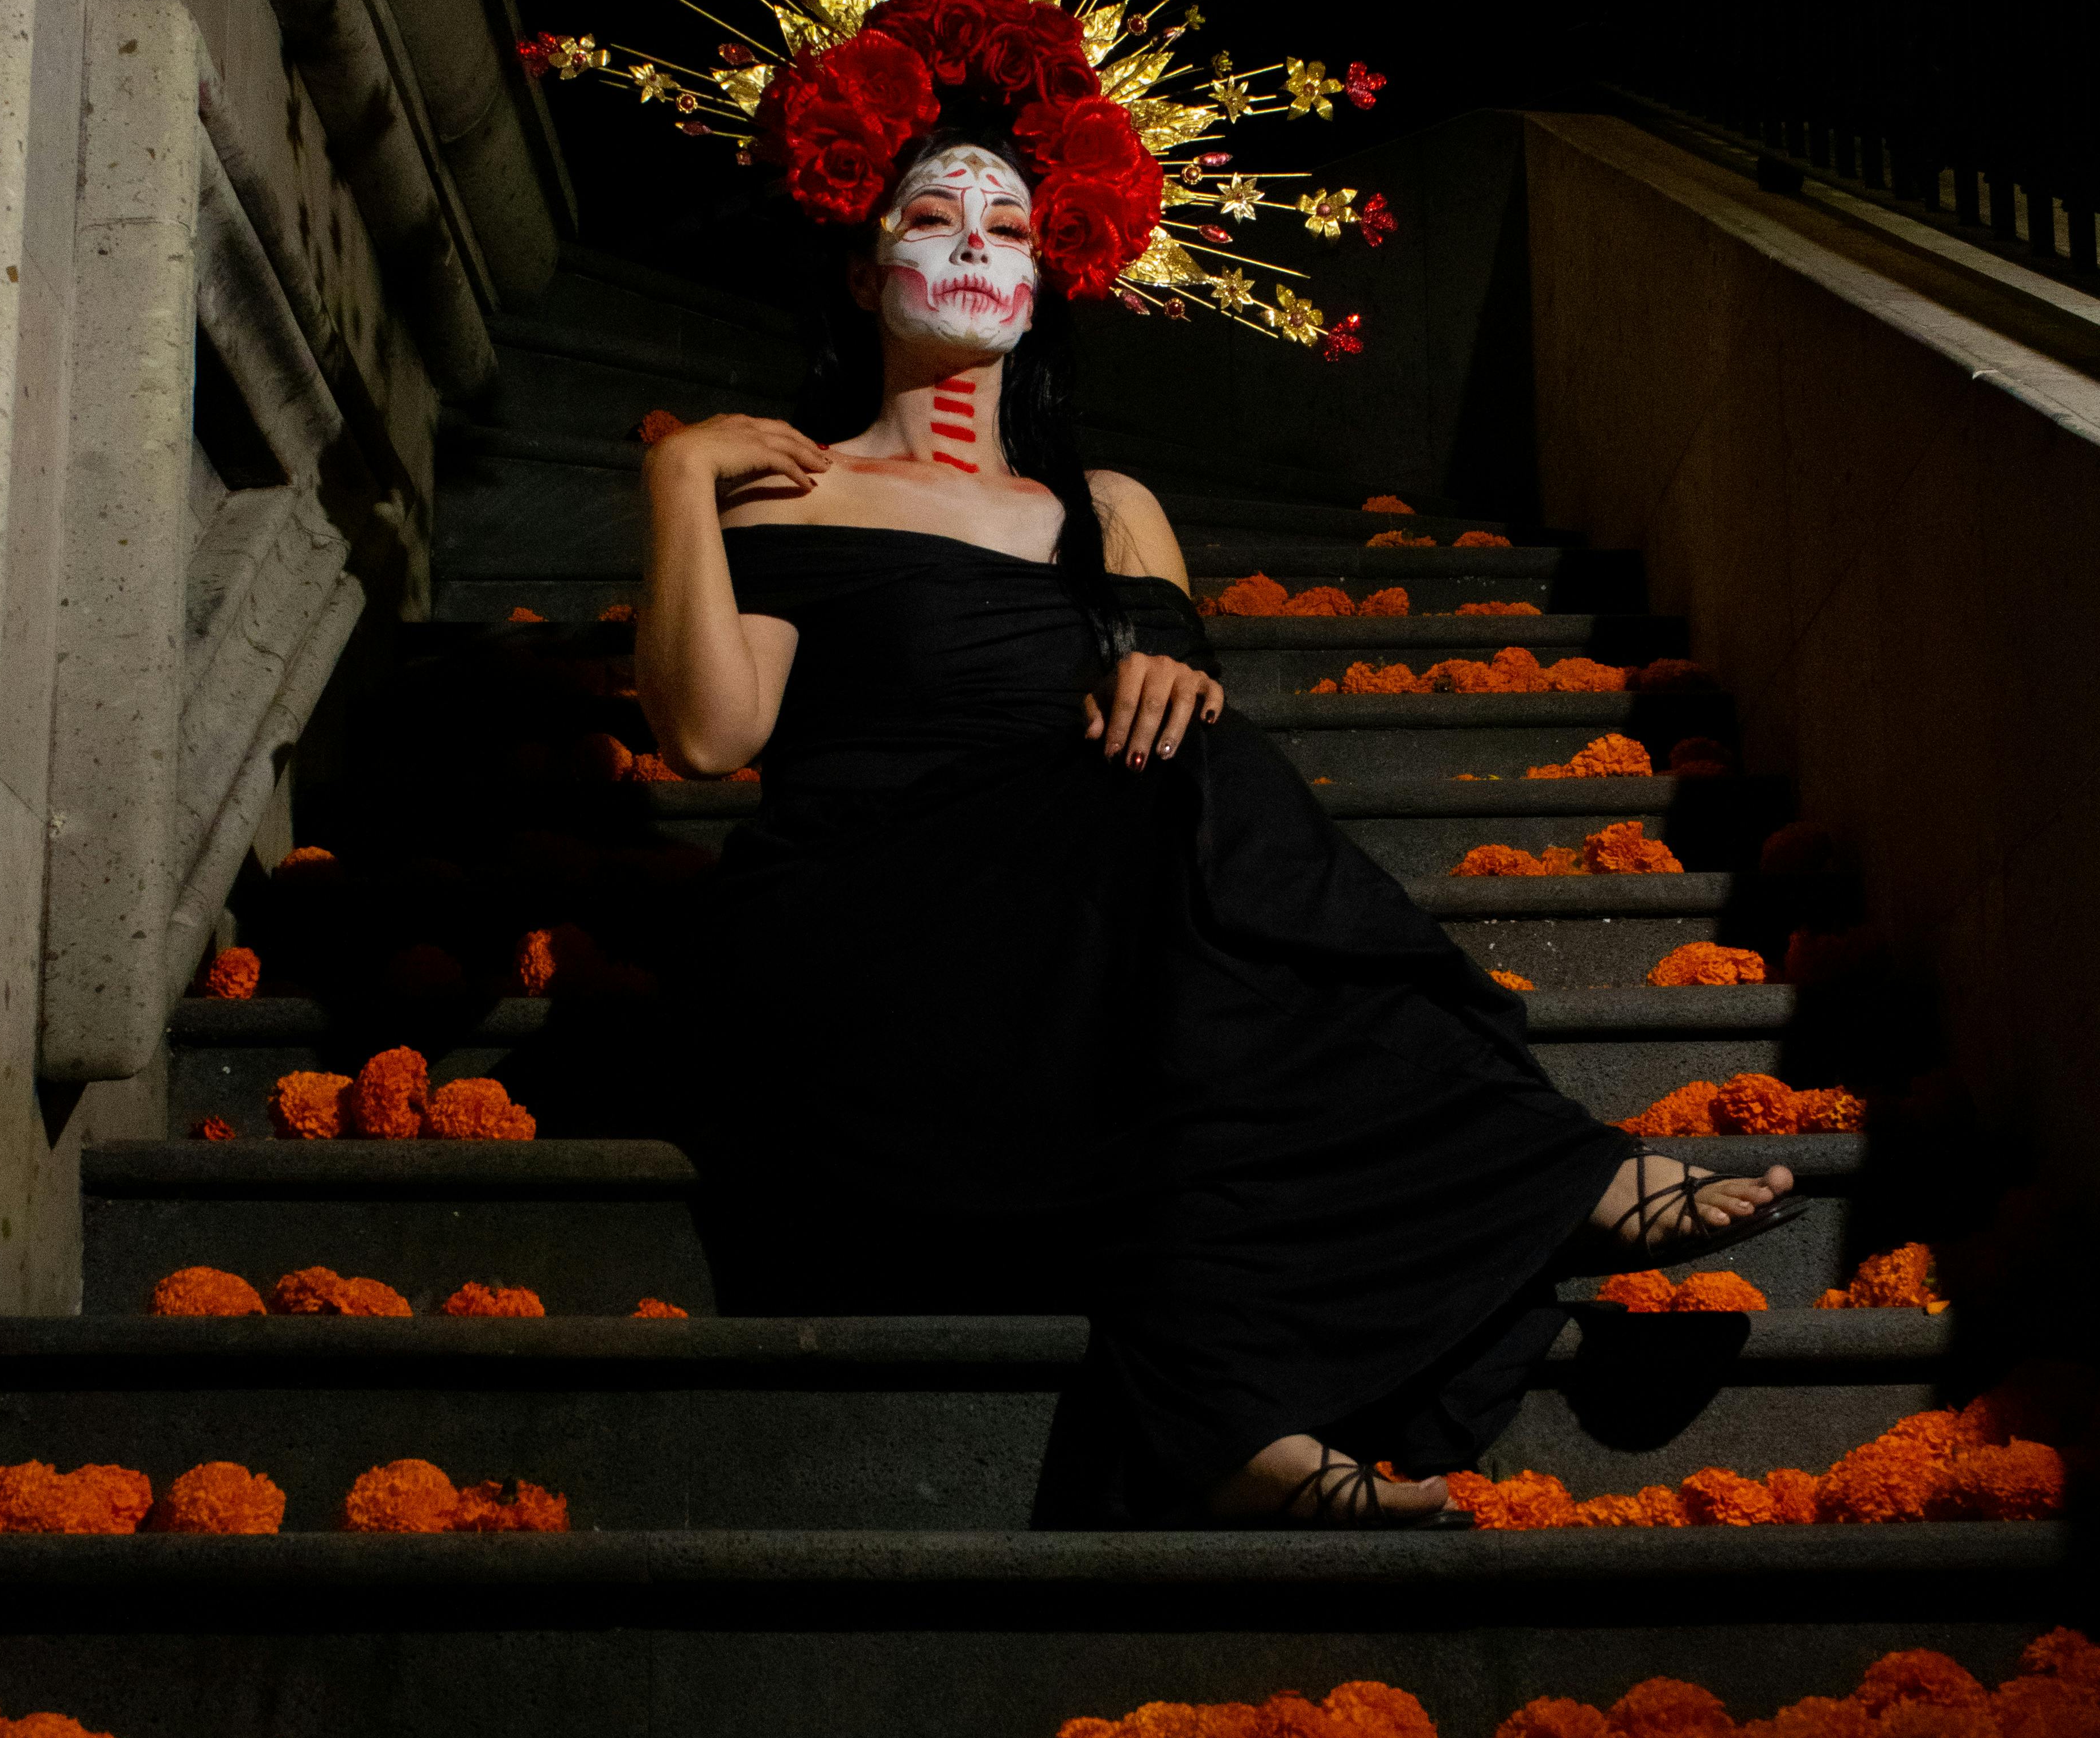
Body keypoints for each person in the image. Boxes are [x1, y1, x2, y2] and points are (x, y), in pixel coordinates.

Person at [637, 119, 1797, 1529]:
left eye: (1004, 229)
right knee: (1196, 816)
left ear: (1045, 281)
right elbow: (707, 737)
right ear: (860, 261)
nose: (969, 245)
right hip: (865, 921)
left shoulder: (1107, 506)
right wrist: (679, 482)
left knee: (1204, 852)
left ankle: (1223, 1400)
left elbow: (1175, 682)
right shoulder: (781, 490)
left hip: (1078, 923)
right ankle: (1547, 1179)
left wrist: (1157, 662)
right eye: (933, 215)